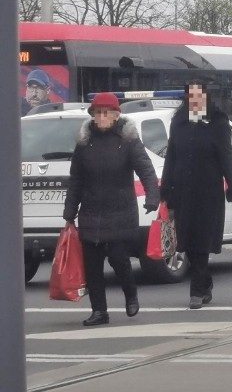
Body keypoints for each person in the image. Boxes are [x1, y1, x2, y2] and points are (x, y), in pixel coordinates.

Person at [63, 92, 160, 326]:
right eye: (98, 113)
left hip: (120, 210)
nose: (102, 117)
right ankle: (99, 311)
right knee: (93, 267)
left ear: (116, 115)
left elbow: (145, 169)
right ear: (93, 115)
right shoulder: (85, 142)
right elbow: (76, 179)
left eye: (107, 113)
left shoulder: (128, 140)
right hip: (91, 211)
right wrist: (69, 211)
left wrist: (152, 197)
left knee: (119, 260)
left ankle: (130, 294)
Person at [160, 82, 232, 309]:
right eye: (191, 96)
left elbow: (227, 157)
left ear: (207, 98)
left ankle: (196, 292)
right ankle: (205, 283)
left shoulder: (218, 123)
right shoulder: (178, 123)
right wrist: (166, 192)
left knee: (201, 241)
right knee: (187, 242)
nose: (195, 100)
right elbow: (171, 158)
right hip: (182, 191)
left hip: (208, 192)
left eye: (200, 96)